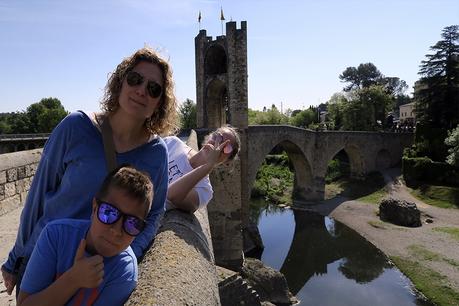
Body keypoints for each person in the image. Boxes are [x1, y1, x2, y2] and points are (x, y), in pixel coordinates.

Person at [2, 46, 178, 296]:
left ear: (160, 102)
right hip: (46, 256)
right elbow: (38, 197)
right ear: (121, 82)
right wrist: (15, 259)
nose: (141, 91)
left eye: (153, 88)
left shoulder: (156, 152)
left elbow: (154, 212)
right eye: (135, 79)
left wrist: (126, 255)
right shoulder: (76, 127)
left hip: (100, 274)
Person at [17, 165, 153, 306]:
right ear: (94, 208)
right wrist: (72, 280)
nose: (117, 231)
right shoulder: (56, 235)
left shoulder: (124, 271)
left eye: (132, 223)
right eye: (108, 213)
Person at [165, 126, 241, 213]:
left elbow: (171, 196)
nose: (217, 144)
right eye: (217, 137)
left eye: (226, 147)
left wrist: (208, 166)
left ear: (227, 162)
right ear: (209, 136)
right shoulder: (172, 143)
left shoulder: (204, 191)